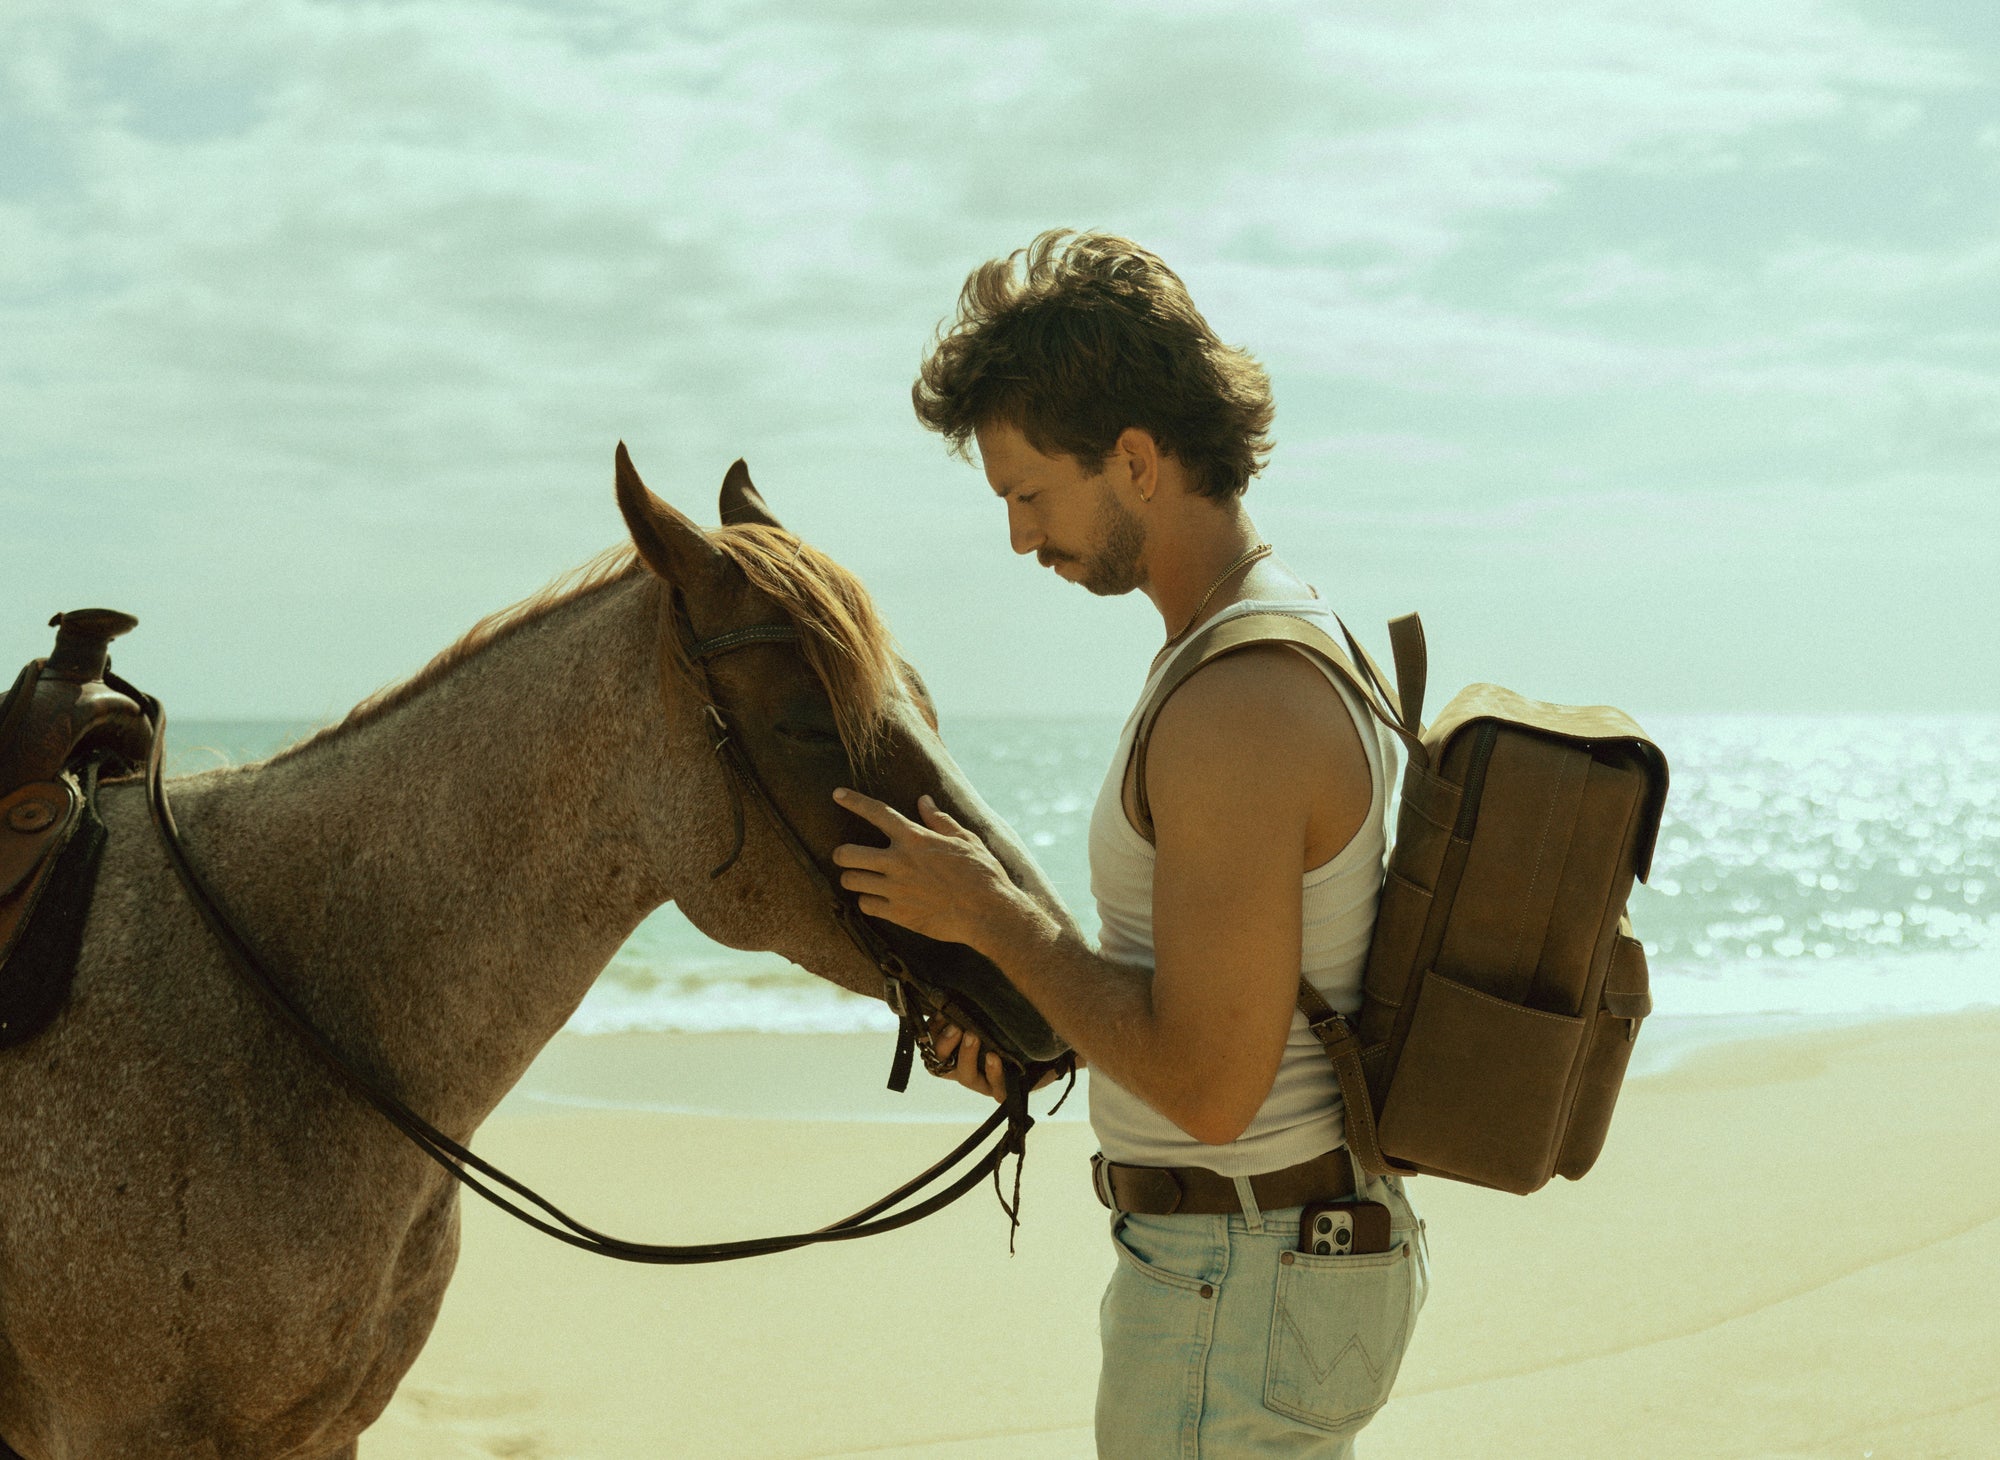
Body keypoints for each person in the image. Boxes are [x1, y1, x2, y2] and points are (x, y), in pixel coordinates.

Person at [830, 230, 1426, 1457]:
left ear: (1137, 461)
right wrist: (1044, 1051)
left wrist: (991, 915)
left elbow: (1214, 1087)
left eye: (1028, 494)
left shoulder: (1238, 700)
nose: (1015, 537)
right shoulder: (1252, 646)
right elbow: (1223, 1019)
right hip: (1254, 1262)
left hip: (1239, 1274)